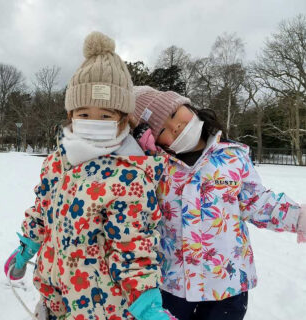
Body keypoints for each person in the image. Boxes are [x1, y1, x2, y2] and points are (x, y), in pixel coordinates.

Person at [4, 33, 176, 320]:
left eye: (106, 116)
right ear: (71, 114)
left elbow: (133, 248)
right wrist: (26, 249)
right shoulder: (57, 162)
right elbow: (42, 211)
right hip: (55, 298)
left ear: (123, 118)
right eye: (83, 113)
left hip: (102, 309)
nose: (93, 122)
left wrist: (149, 307)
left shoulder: (130, 178)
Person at [130, 86, 306, 320]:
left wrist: (298, 217)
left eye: (173, 114)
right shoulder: (153, 168)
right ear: (152, 139)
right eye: (162, 129)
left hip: (227, 286)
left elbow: (258, 202)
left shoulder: (233, 156)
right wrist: (138, 153)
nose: (175, 126)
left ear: (187, 105)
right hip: (172, 287)